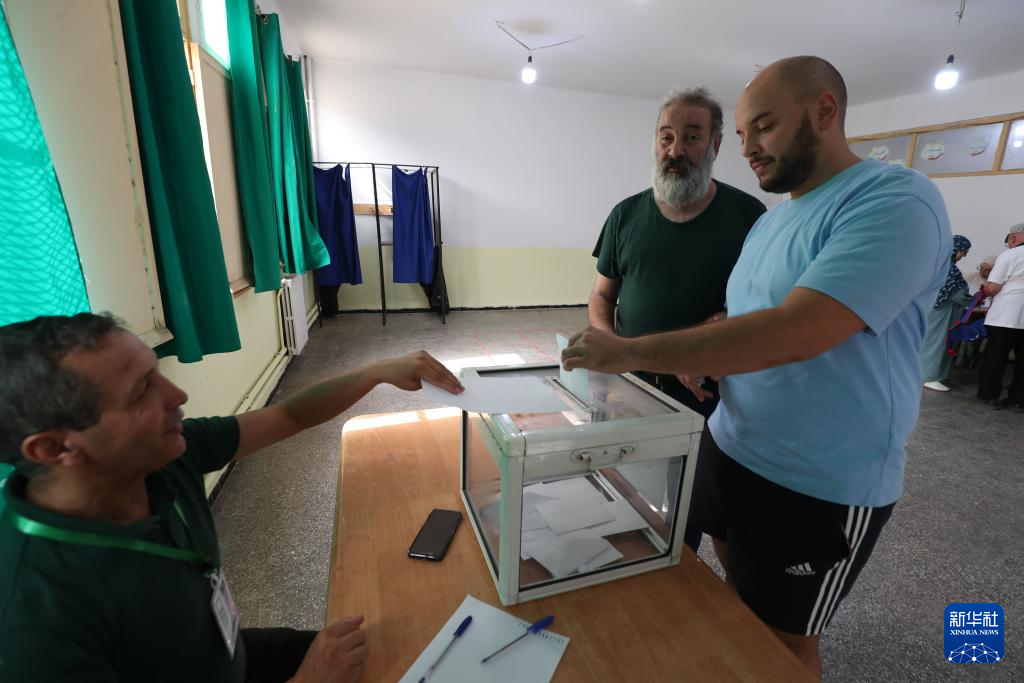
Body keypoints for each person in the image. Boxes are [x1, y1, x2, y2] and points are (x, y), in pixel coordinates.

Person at [562, 56, 950, 677]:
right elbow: (743, 315)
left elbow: (797, 329)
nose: (748, 149)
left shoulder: (893, 199)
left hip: (817, 481)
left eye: (763, 127)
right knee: (738, 602)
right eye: (743, 134)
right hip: (732, 445)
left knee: (783, 643)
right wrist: (709, 352)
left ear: (823, 111)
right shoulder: (776, 222)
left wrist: (628, 351)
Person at [0, 312, 464, 683]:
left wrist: (377, 372)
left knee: (411, 649)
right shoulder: (33, 624)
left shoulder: (165, 456)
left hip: (223, 649)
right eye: (142, 391)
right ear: (54, 449)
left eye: (156, 374)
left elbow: (288, 415)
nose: (177, 395)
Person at [589, 86, 766, 420]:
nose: (675, 151)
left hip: (712, 394)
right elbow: (602, 295)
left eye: (691, 138)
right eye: (666, 138)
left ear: (715, 145)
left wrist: (713, 332)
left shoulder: (750, 215)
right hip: (633, 386)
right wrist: (611, 346)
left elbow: (763, 302)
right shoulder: (624, 215)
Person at [977, 223, 1024, 411]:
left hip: (1006, 314)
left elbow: (992, 288)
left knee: (995, 356)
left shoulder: (1010, 255)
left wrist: (984, 290)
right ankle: (1018, 401)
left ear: (1012, 238)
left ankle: (989, 395)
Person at [920, 234, 972, 391]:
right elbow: (958, 295)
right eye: (963, 251)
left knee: (928, 342)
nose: (964, 255)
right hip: (942, 313)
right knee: (938, 343)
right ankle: (929, 377)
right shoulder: (950, 269)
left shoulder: (936, 264)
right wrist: (975, 300)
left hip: (932, 310)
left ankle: (924, 374)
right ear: (955, 249)